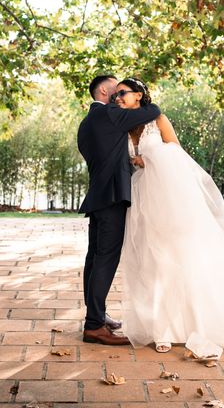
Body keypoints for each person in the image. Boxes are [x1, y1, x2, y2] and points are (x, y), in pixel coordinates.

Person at [115, 77, 224, 356]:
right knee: (150, 261)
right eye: (115, 95)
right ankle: (160, 328)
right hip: (142, 199)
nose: (118, 98)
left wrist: (148, 159)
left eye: (123, 93)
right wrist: (135, 161)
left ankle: (193, 325)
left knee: (179, 258)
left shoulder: (158, 120)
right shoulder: (121, 126)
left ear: (139, 95)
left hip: (170, 198)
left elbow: (176, 152)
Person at [77, 75, 161, 345]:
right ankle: (94, 326)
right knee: (106, 259)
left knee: (94, 259)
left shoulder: (86, 122)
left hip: (97, 197)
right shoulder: (110, 113)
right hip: (112, 198)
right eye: (116, 88)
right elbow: (153, 111)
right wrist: (140, 96)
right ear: (104, 90)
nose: (119, 93)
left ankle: (98, 316)